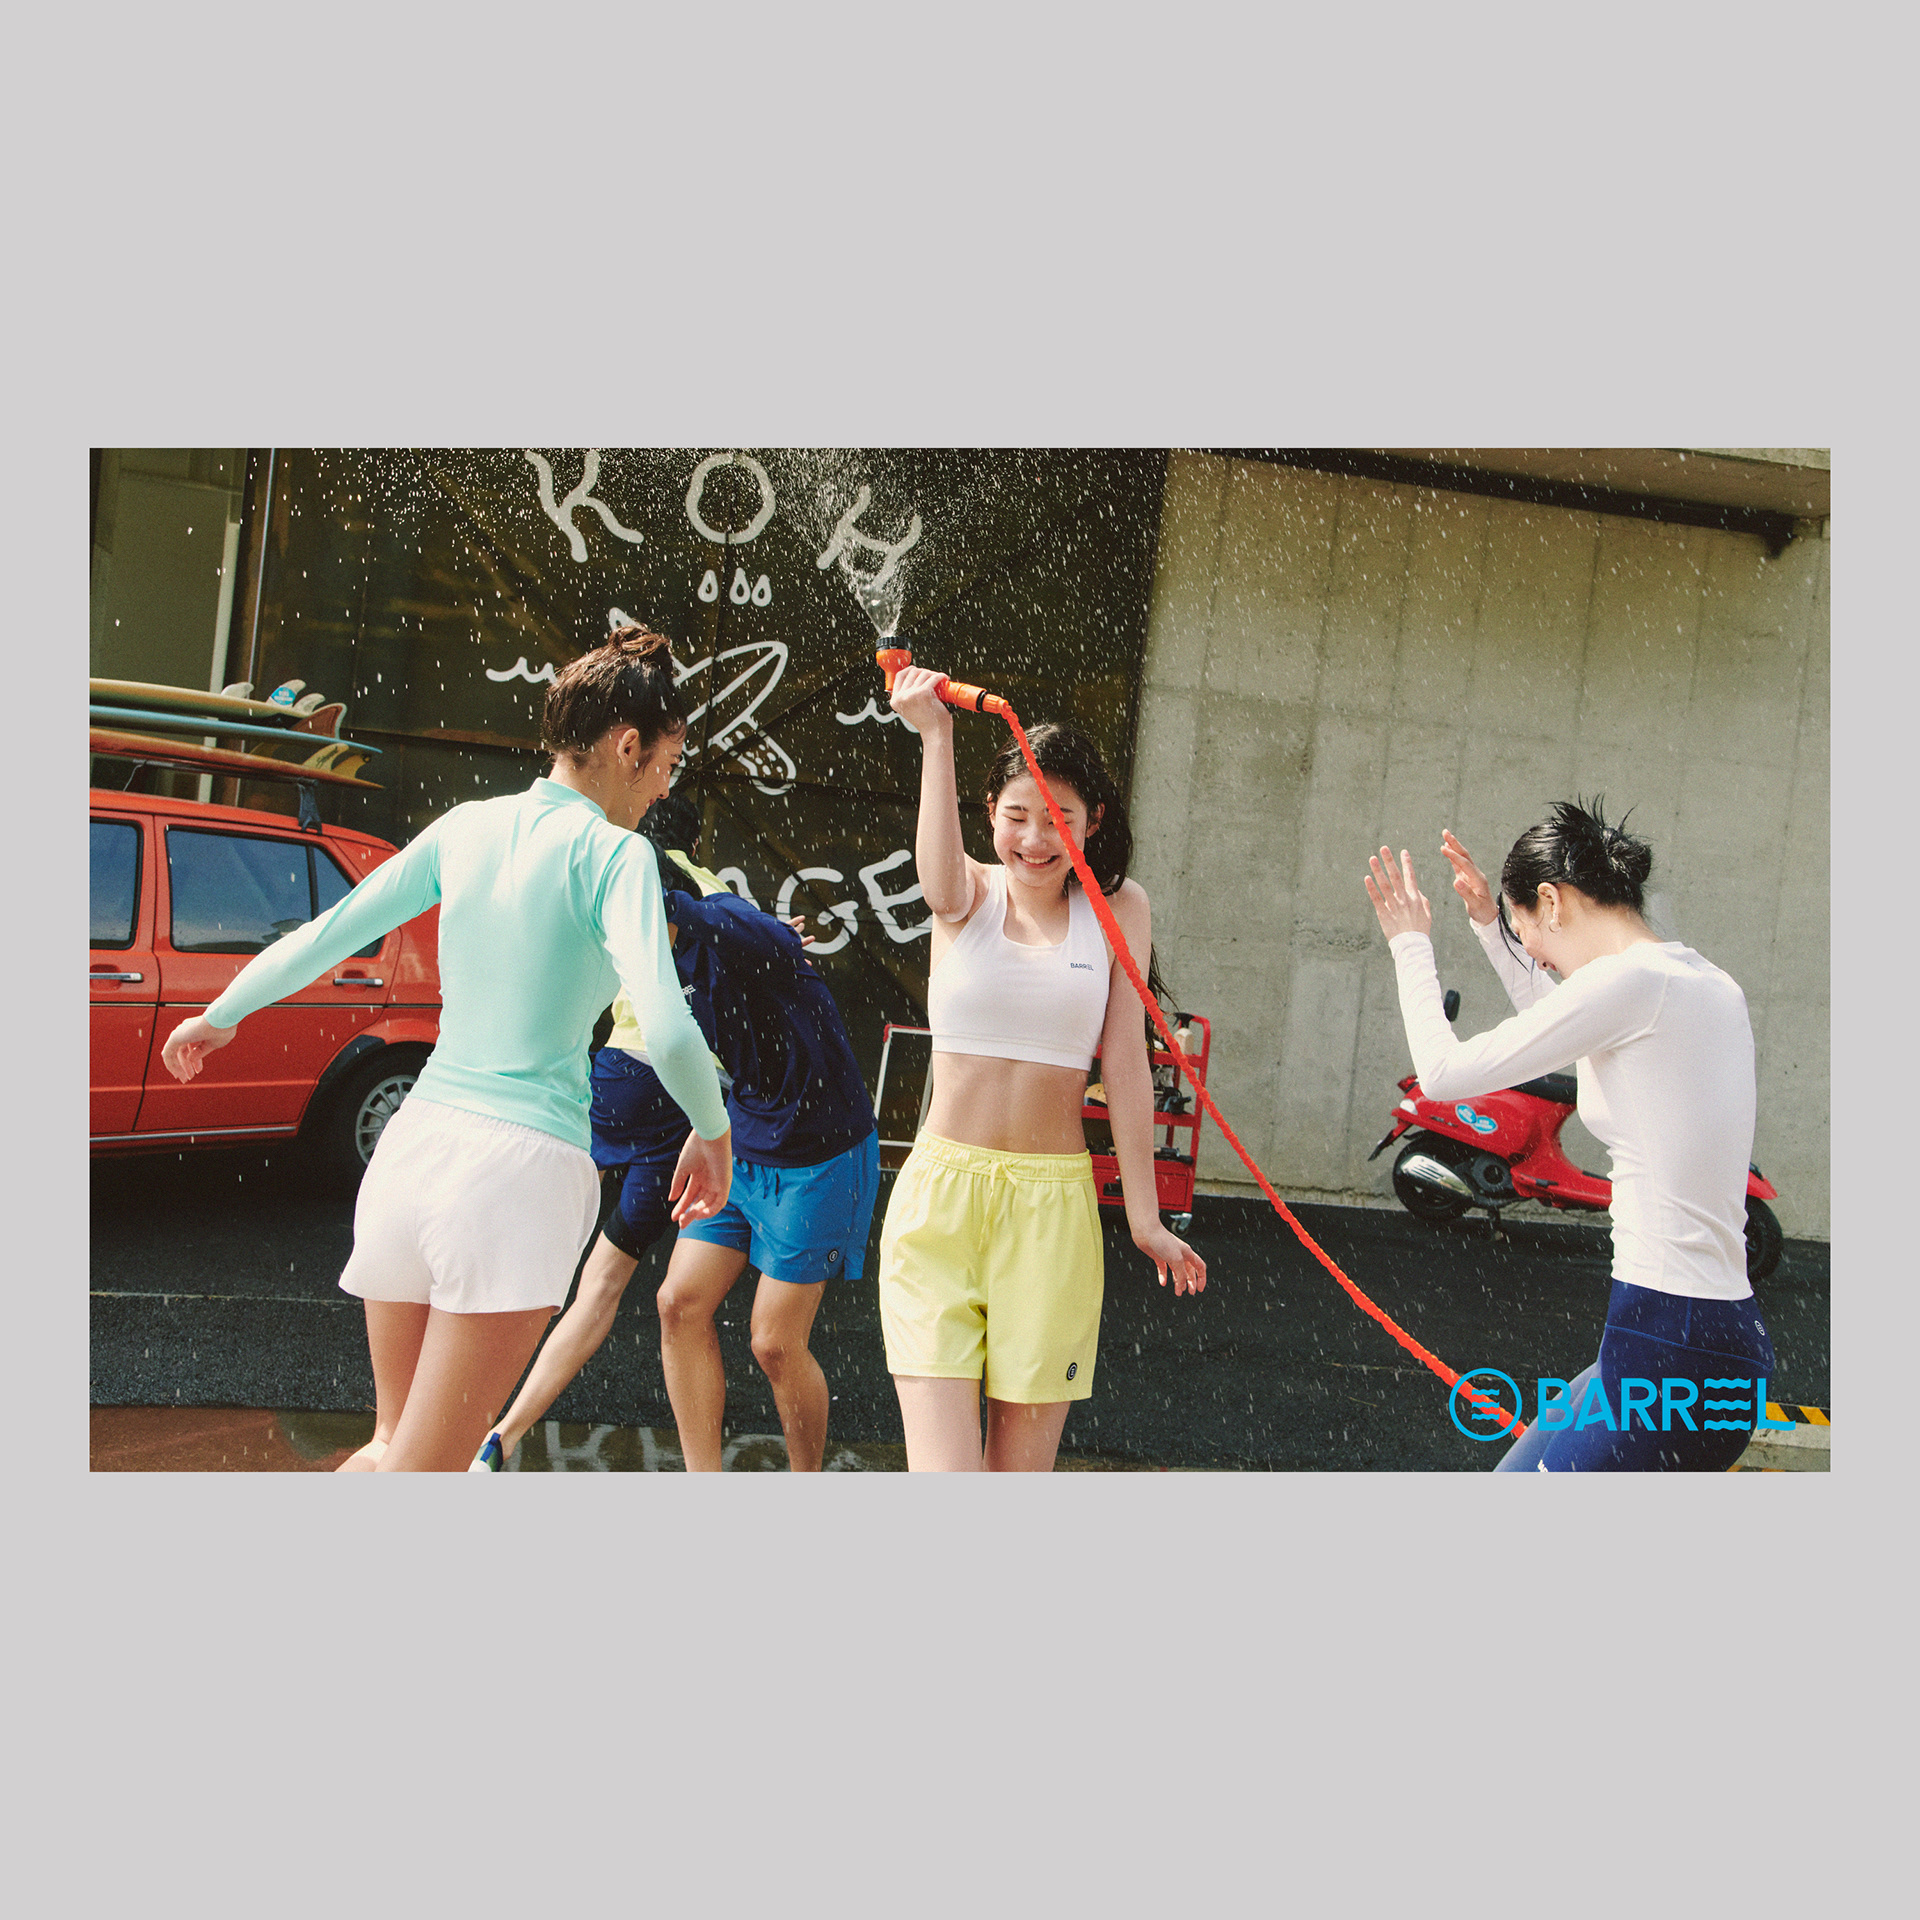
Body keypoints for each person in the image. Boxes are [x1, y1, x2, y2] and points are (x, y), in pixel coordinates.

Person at [160, 627, 731, 1472]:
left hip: (414, 1150)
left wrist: (220, 1013)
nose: (664, 787)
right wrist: (714, 1134)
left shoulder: (466, 826)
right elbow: (670, 1026)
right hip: (516, 1176)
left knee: (391, 1448)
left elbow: (327, 934)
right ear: (626, 746)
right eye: (666, 764)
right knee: (422, 1475)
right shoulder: (616, 855)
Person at [1363, 802, 1776, 1471]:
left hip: (1671, 1349)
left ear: (1552, 901)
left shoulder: (1631, 984)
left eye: (1527, 931)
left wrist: (1410, 944)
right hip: (1692, 1338)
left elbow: (1442, 1074)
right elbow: (1565, 1019)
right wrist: (1493, 924)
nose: (1532, 953)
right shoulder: (1697, 980)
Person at [475, 800, 879, 1473]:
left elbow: (771, 943)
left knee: (774, 1342)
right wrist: (707, 1124)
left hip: (820, 1151)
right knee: (678, 1304)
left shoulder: (716, 922)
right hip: (741, 1136)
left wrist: (765, 932)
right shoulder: (652, 960)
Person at [878, 665, 1206, 1472]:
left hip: (1052, 1210)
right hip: (940, 1203)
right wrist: (936, 737)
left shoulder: (1121, 909)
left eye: (1059, 819)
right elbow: (937, 882)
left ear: (1093, 824)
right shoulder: (965, 892)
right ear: (989, 811)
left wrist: (1144, 1219)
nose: (1034, 839)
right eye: (1016, 816)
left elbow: (1125, 1063)